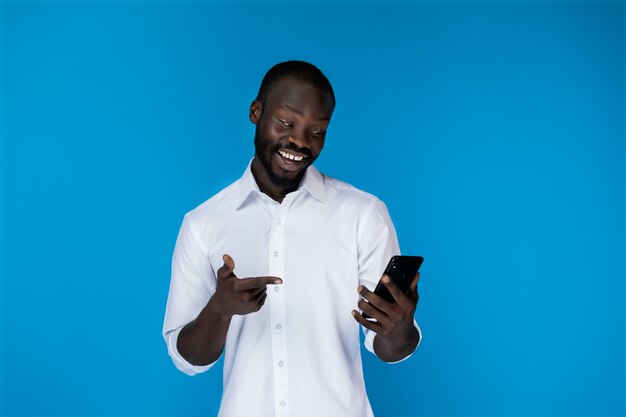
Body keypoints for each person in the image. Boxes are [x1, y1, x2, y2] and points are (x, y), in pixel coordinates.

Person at [162, 60, 421, 417]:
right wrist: (219, 310)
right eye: (287, 122)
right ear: (256, 112)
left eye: (317, 130)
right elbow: (187, 358)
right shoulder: (203, 223)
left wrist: (401, 328)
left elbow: (389, 347)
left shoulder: (363, 215)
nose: (300, 141)